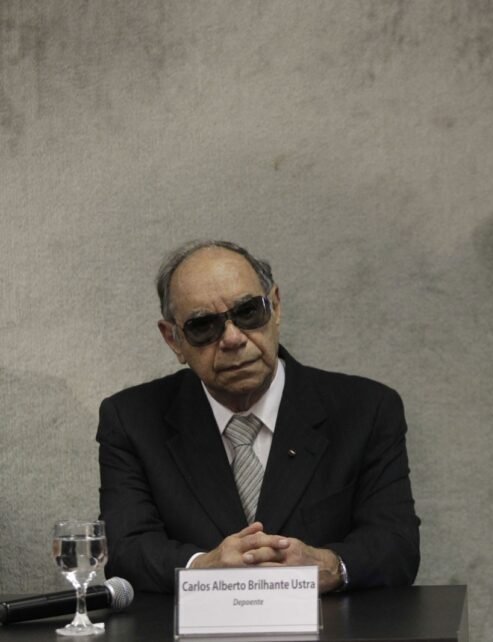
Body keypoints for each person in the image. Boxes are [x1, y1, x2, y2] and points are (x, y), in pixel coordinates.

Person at [96, 240, 420, 593]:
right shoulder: (132, 420)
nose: (233, 338)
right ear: (174, 339)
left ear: (275, 307)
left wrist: (328, 565)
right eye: (203, 325)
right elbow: (125, 549)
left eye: (249, 312)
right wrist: (202, 569)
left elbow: (396, 545)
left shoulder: (366, 410)